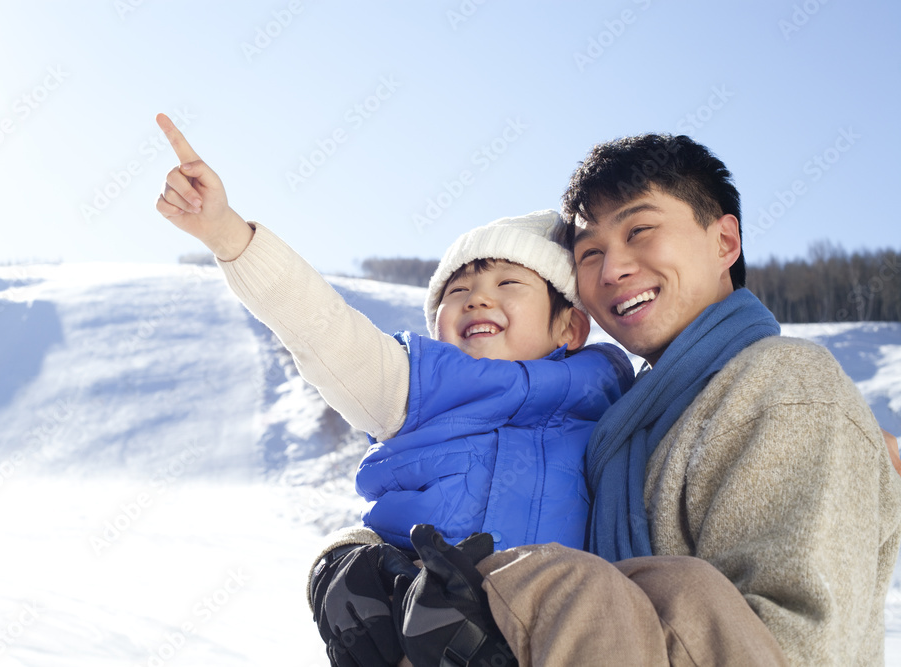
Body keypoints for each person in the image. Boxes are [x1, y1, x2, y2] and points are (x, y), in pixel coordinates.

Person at [383, 134, 901, 666]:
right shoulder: (625, 419)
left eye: (640, 231)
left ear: (724, 242)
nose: (613, 271)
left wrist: (526, 606)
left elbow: (798, 651)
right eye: (591, 254)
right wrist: (356, 561)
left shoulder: (781, 386)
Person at [152, 113, 633, 665]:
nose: (477, 298)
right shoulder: (416, 388)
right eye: (458, 290)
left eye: (507, 283)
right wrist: (227, 235)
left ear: (569, 327)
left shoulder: (614, 411)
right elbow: (321, 327)